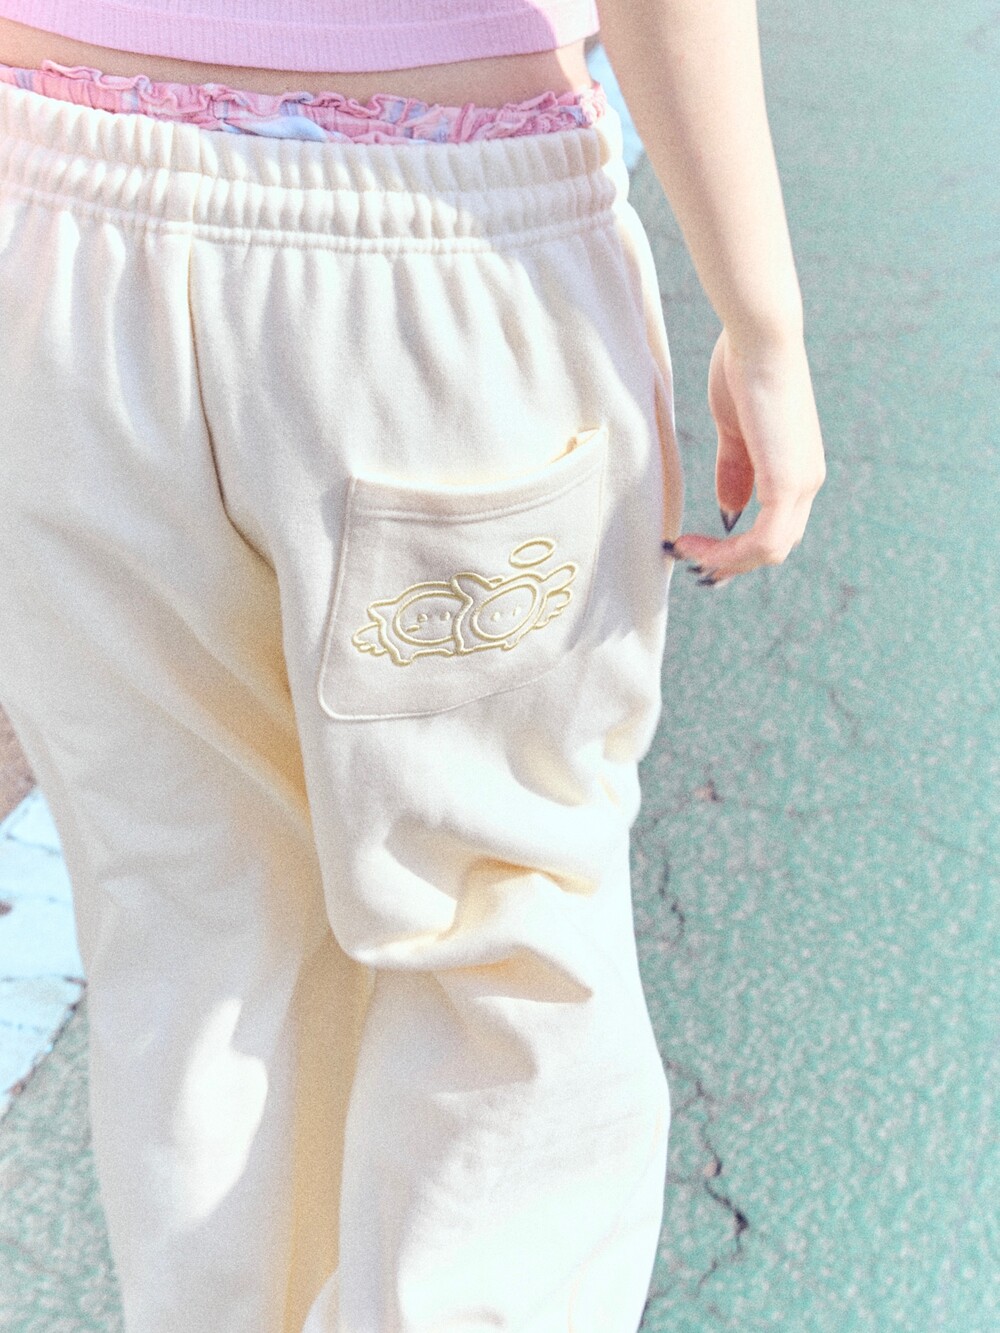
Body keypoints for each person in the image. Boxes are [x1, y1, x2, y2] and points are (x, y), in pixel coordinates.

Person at [0, 1, 825, 1329]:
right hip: (431, 234)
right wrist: (763, 325)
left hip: (47, 220)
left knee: (190, 935)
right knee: (500, 940)